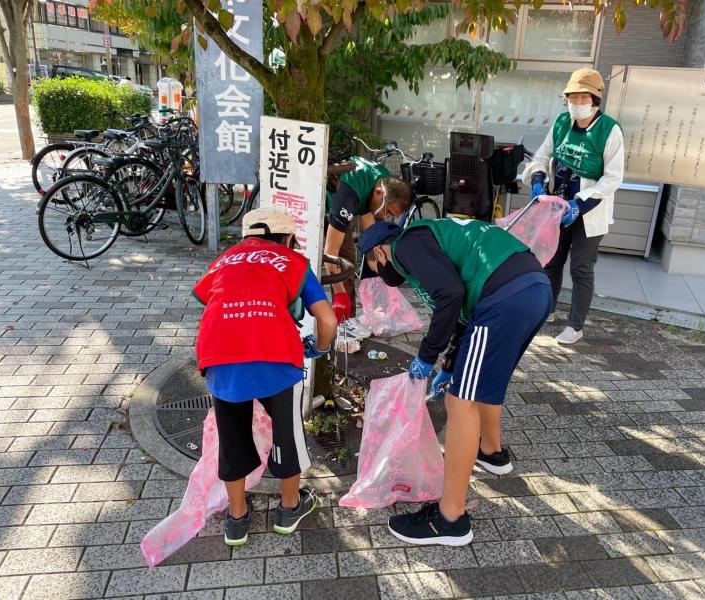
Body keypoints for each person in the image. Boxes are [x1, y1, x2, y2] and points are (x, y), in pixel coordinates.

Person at [358, 218, 552, 546]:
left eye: (375, 265)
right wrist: (450, 361)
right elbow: (463, 310)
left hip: (501, 298)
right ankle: (491, 453)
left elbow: (450, 295)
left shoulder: (406, 246)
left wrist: (427, 355)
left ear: (379, 251)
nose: (381, 272)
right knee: (485, 382)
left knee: (459, 401)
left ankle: (450, 519)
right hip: (534, 289)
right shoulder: (435, 236)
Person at [192, 208, 338, 546]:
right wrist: (318, 347)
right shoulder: (292, 261)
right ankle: (289, 508)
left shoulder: (223, 260)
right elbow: (327, 320)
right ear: (287, 239)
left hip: (220, 355)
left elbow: (212, 303)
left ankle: (237, 517)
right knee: (287, 434)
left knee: (231, 440)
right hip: (275, 355)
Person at [523, 68, 624, 345]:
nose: (576, 102)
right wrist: (538, 179)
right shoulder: (561, 123)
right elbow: (542, 155)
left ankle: (575, 325)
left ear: (595, 99)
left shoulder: (609, 129)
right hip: (557, 207)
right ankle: (548, 310)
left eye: (583, 97)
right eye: (572, 97)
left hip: (588, 211)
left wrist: (580, 204)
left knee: (580, 267)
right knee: (551, 262)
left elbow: (613, 178)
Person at [324, 156, 412, 326]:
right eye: (387, 210)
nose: (386, 216)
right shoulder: (350, 193)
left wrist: (379, 277)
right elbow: (330, 252)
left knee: (361, 258)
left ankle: (348, 321)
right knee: (344, 262)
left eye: (391, 215)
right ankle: (344, 322)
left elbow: (370, 233)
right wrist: (340, 293)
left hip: (355, 198)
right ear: (379, 193)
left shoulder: (384, 181)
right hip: (326, 201)